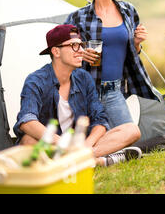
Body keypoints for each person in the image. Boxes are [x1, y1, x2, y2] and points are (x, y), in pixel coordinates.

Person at [14, 24, 142, 166]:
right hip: (51, 143)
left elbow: (100, 120)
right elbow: (27, 121)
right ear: (56, 51)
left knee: (131, 130)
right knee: (28, 141)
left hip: (79, 144)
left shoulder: (84, 78)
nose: (81, 51)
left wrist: (87, 145)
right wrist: (62, 143)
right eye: (74, 46)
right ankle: (98, 161)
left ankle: (80, 160)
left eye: (81, 45)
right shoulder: (35, 81)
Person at [65, 0, 159, 130]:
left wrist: (137, 43)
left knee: (127, 134)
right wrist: (80, 53)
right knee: (95, 138)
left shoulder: (128, 11)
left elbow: (131, 52)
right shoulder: (78, 17)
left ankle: (100, 155)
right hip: (85, 90)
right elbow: (62, 53)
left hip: (114, 90)